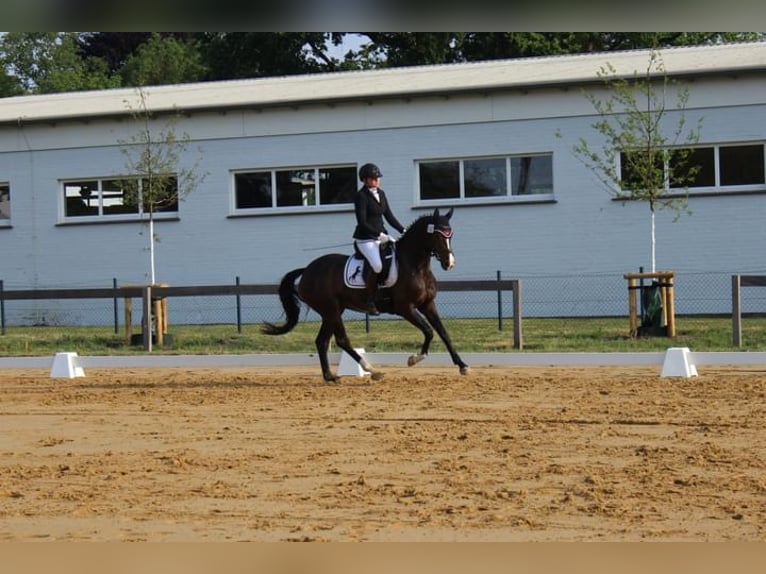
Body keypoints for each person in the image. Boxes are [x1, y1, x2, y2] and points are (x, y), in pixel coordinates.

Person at [353, 163, 406, 315]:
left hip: (381, 236)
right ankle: (370, 301)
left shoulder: (381, 193)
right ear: (365, 180)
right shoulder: (361, 196)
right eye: (373, 178)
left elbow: (389, 216)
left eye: (378, 178)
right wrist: (379, 235)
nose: (377, 180)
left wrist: (403, 230)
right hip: (365, 239)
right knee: (377, 265)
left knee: (397, 258)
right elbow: (362, 222)